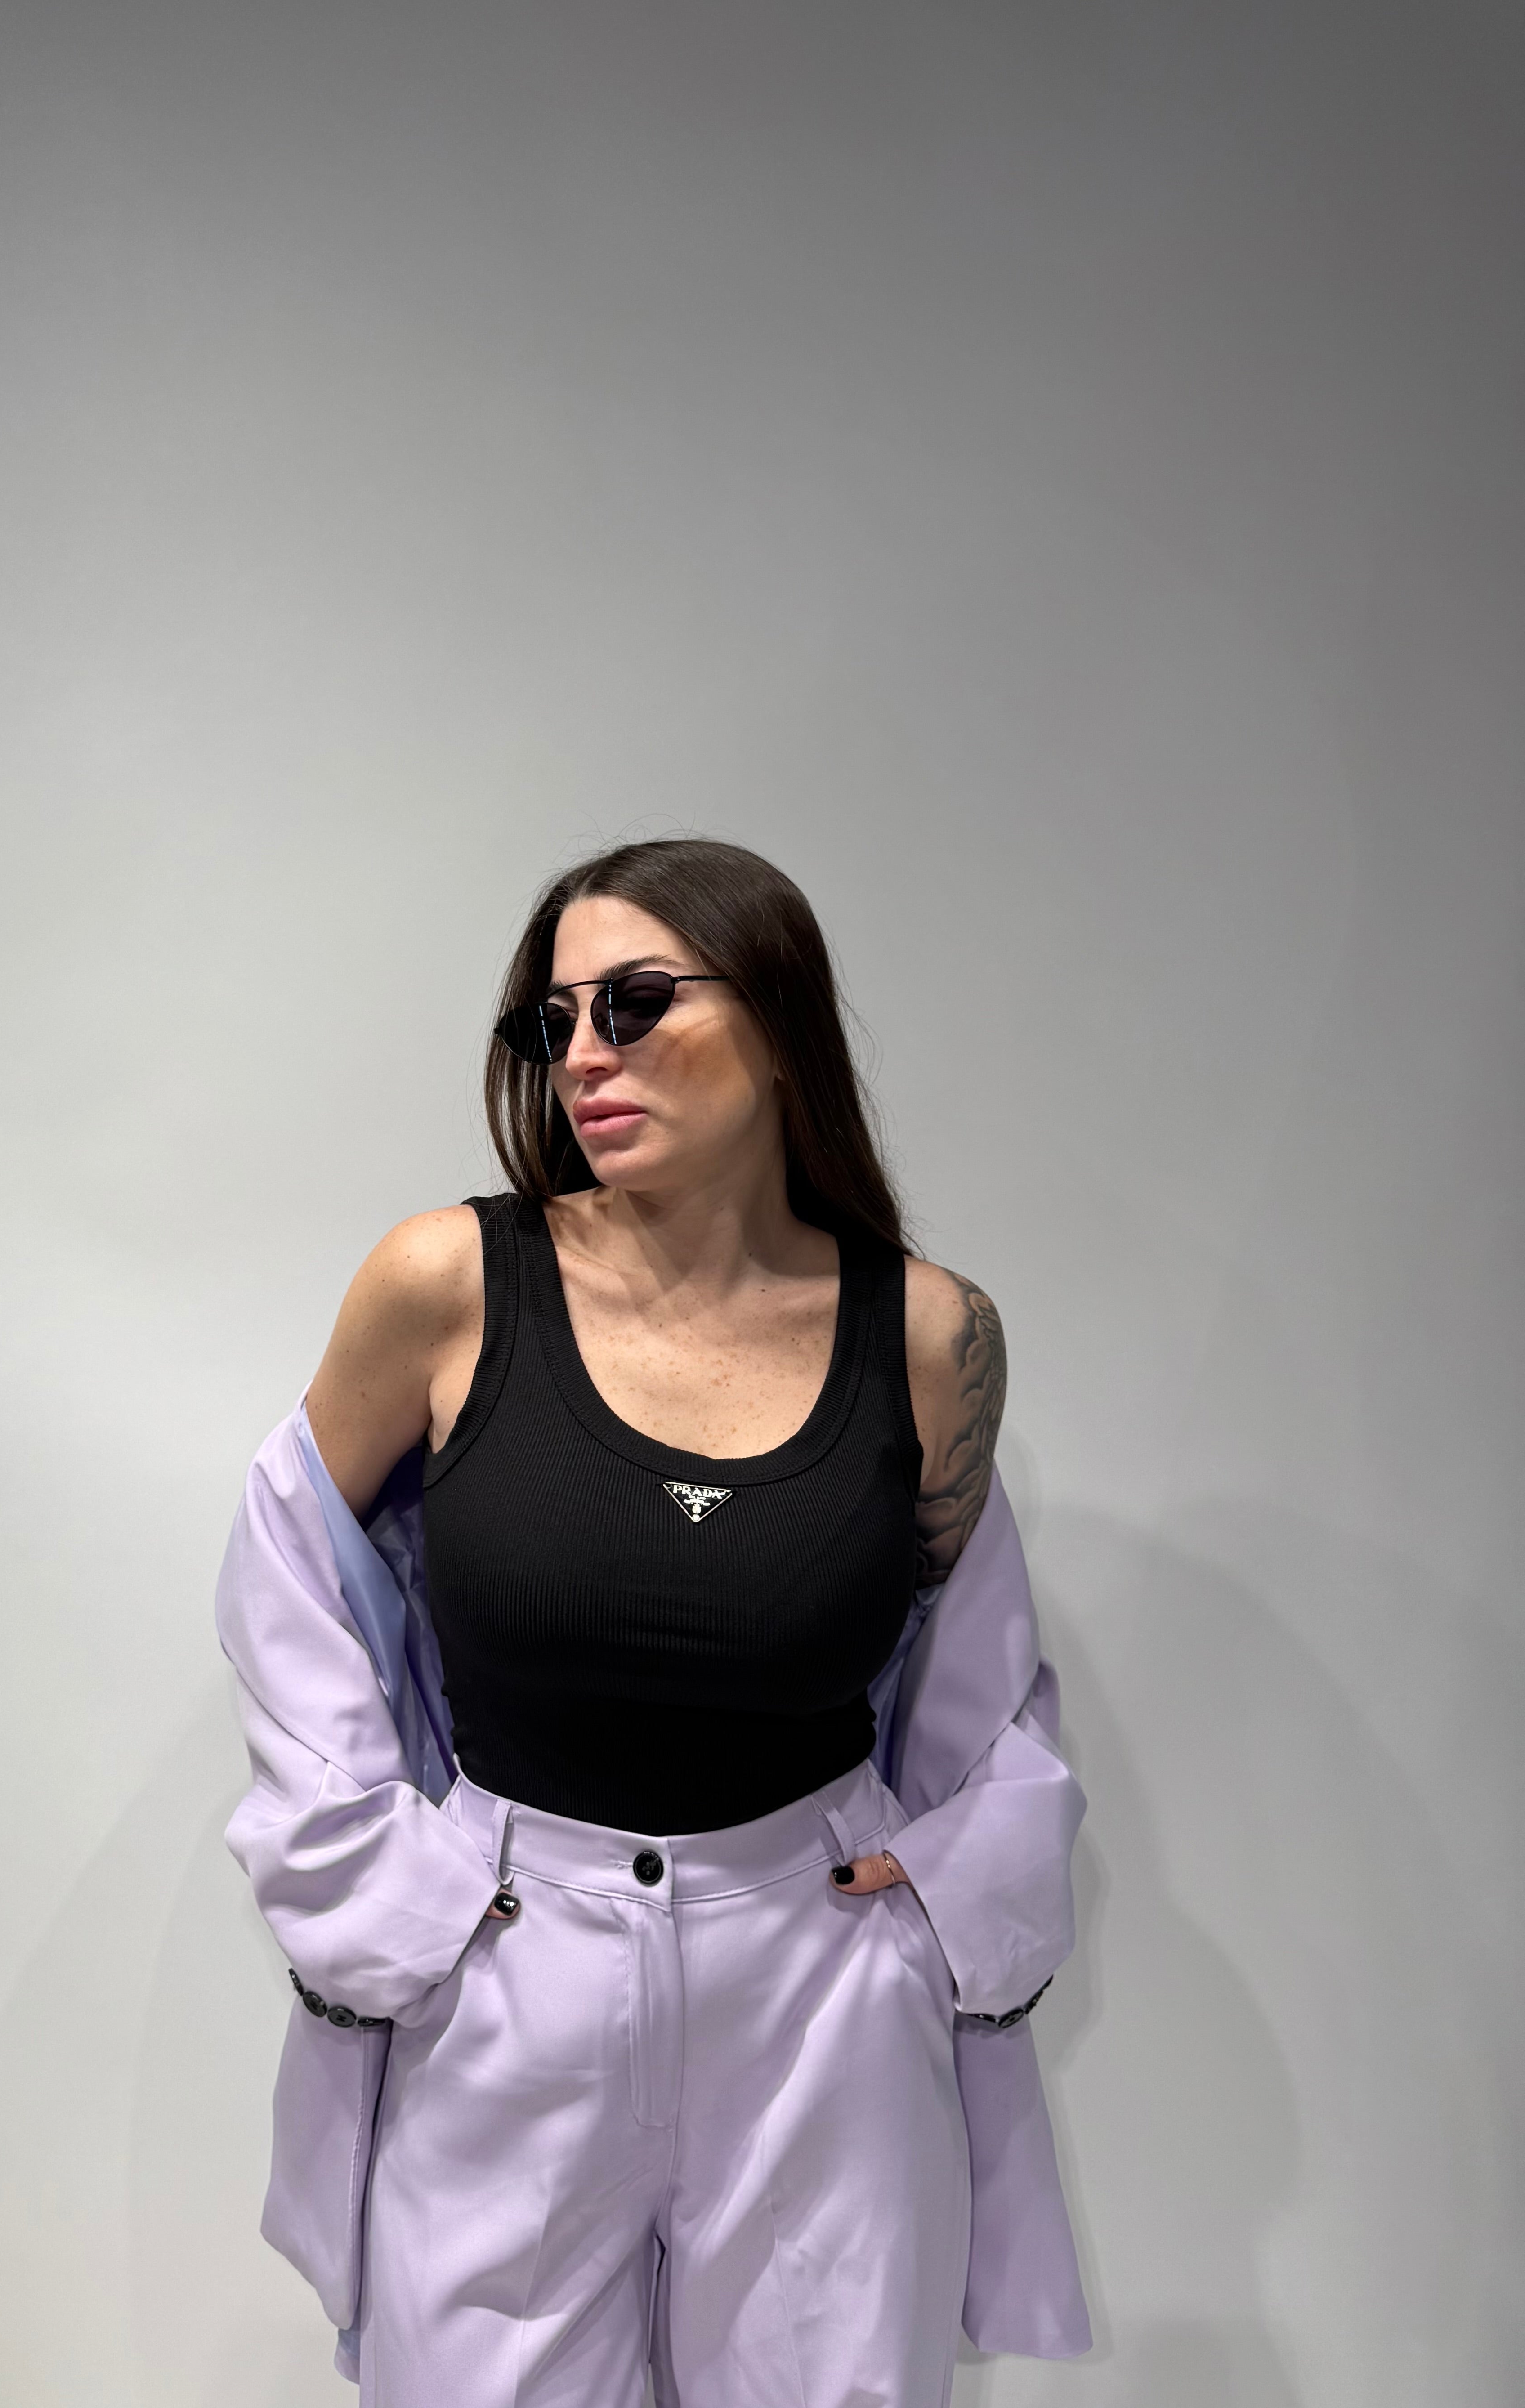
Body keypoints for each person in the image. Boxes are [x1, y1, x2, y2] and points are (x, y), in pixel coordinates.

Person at [222, 837, 1086, 2407]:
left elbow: (975, 1666)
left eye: (633, 1002)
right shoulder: (448, 1283)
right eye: (550, 1022)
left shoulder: (928, 1335)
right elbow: (287, 1574)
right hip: (509, 1975)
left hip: (818, 1995)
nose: (584, 1056)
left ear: (778, 1017)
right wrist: (392, 1889)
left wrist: (940, 1901)